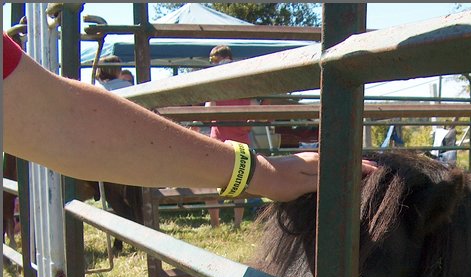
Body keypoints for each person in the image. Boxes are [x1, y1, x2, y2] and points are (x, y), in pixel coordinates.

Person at [3, 33, 376, 206]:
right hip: (234, 146)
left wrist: (260, 173)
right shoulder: (245, 78)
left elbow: (61, 120)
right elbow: (63, 120)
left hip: (228, 143)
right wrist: (261, 173)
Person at [205, 45, 258, 228]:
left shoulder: (215, 82)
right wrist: (247, 125)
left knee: (212, 181)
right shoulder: (241, 81)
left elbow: (208, 109)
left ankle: (215, 224)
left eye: (214, 60)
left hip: (219, 139)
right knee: (241, 181)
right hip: (239, 139)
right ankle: (236, 224)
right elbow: (255, 107)